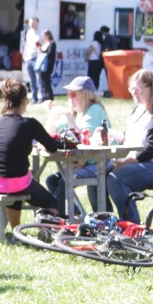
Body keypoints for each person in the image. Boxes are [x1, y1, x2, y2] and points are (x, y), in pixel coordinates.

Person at [0, 78, 65, 230]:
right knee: (51, 202)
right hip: (13, 182)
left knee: (16, 187)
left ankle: (16, 231)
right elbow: (52, 147)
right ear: (24, 100)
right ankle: (48, 232)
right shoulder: (29, 124)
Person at [106, 69, 153, 224]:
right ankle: (103, 220)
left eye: (138, 89)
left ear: (151, 87)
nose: (134, 93)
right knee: (100, 174)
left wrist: (124, 162)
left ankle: (132, 226)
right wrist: (108, 133)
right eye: (132, 89)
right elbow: (128, 138)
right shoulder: (139, 109)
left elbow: (152, 149)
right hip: (143, 162)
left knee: (116, 179)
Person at [45, 76, 109, 211]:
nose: (70, 98)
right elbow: (50, 134)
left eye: (73, 94)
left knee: (64, 181)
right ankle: (77, 216)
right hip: (84, 162)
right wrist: (51, 115)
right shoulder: (78, 114)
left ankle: (66, 220)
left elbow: (82, 138)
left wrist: (68, 116)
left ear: (86, 95)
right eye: (68, 94)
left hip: (99, 162)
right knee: (51, 180)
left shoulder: (94, 109)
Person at [22, 17, 41, 103]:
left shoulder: (40, 33)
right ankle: (34, 98)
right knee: (32, 80)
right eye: (30, 23)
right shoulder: (29, 32)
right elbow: (26, 44)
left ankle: (41, 97)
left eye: (33, 22)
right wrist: (25, 54)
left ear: (37, 22)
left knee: (39, 79)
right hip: (29, 58)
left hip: (37, 57)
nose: (31, 24)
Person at [36, 30, 57, 102]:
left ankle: (50, 97)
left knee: (47, 82)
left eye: (44, 36)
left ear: (48, 35)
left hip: (48, 65)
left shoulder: (52, 43)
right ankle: (45, 97)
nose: (42, 37)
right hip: (42, 66)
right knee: (43, 82)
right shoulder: (45, 44)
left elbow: (50, 53)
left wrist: (42, 51)